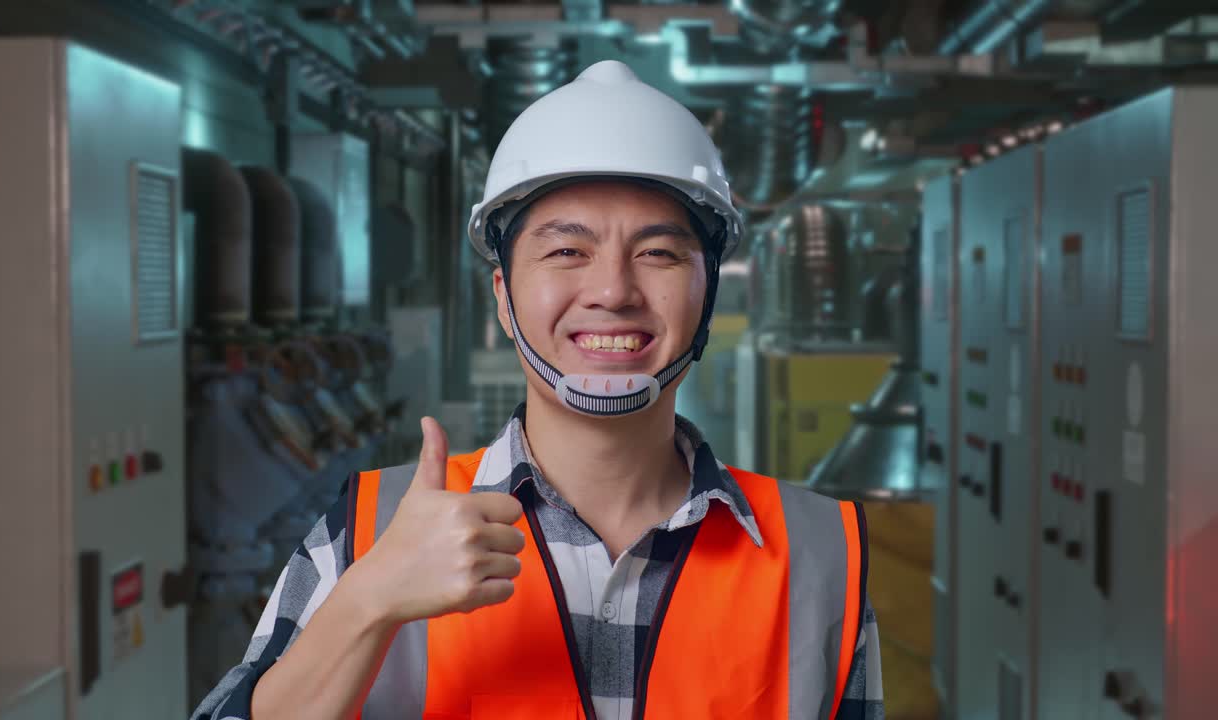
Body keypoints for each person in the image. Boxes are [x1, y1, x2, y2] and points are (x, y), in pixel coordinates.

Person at [192, 59, 884, 720]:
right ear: (503, 296)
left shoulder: (819, 553)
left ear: (708, 295)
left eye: (658, 253)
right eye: (566, 251)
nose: (613, 291)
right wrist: (368, 600)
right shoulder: (374, 534)